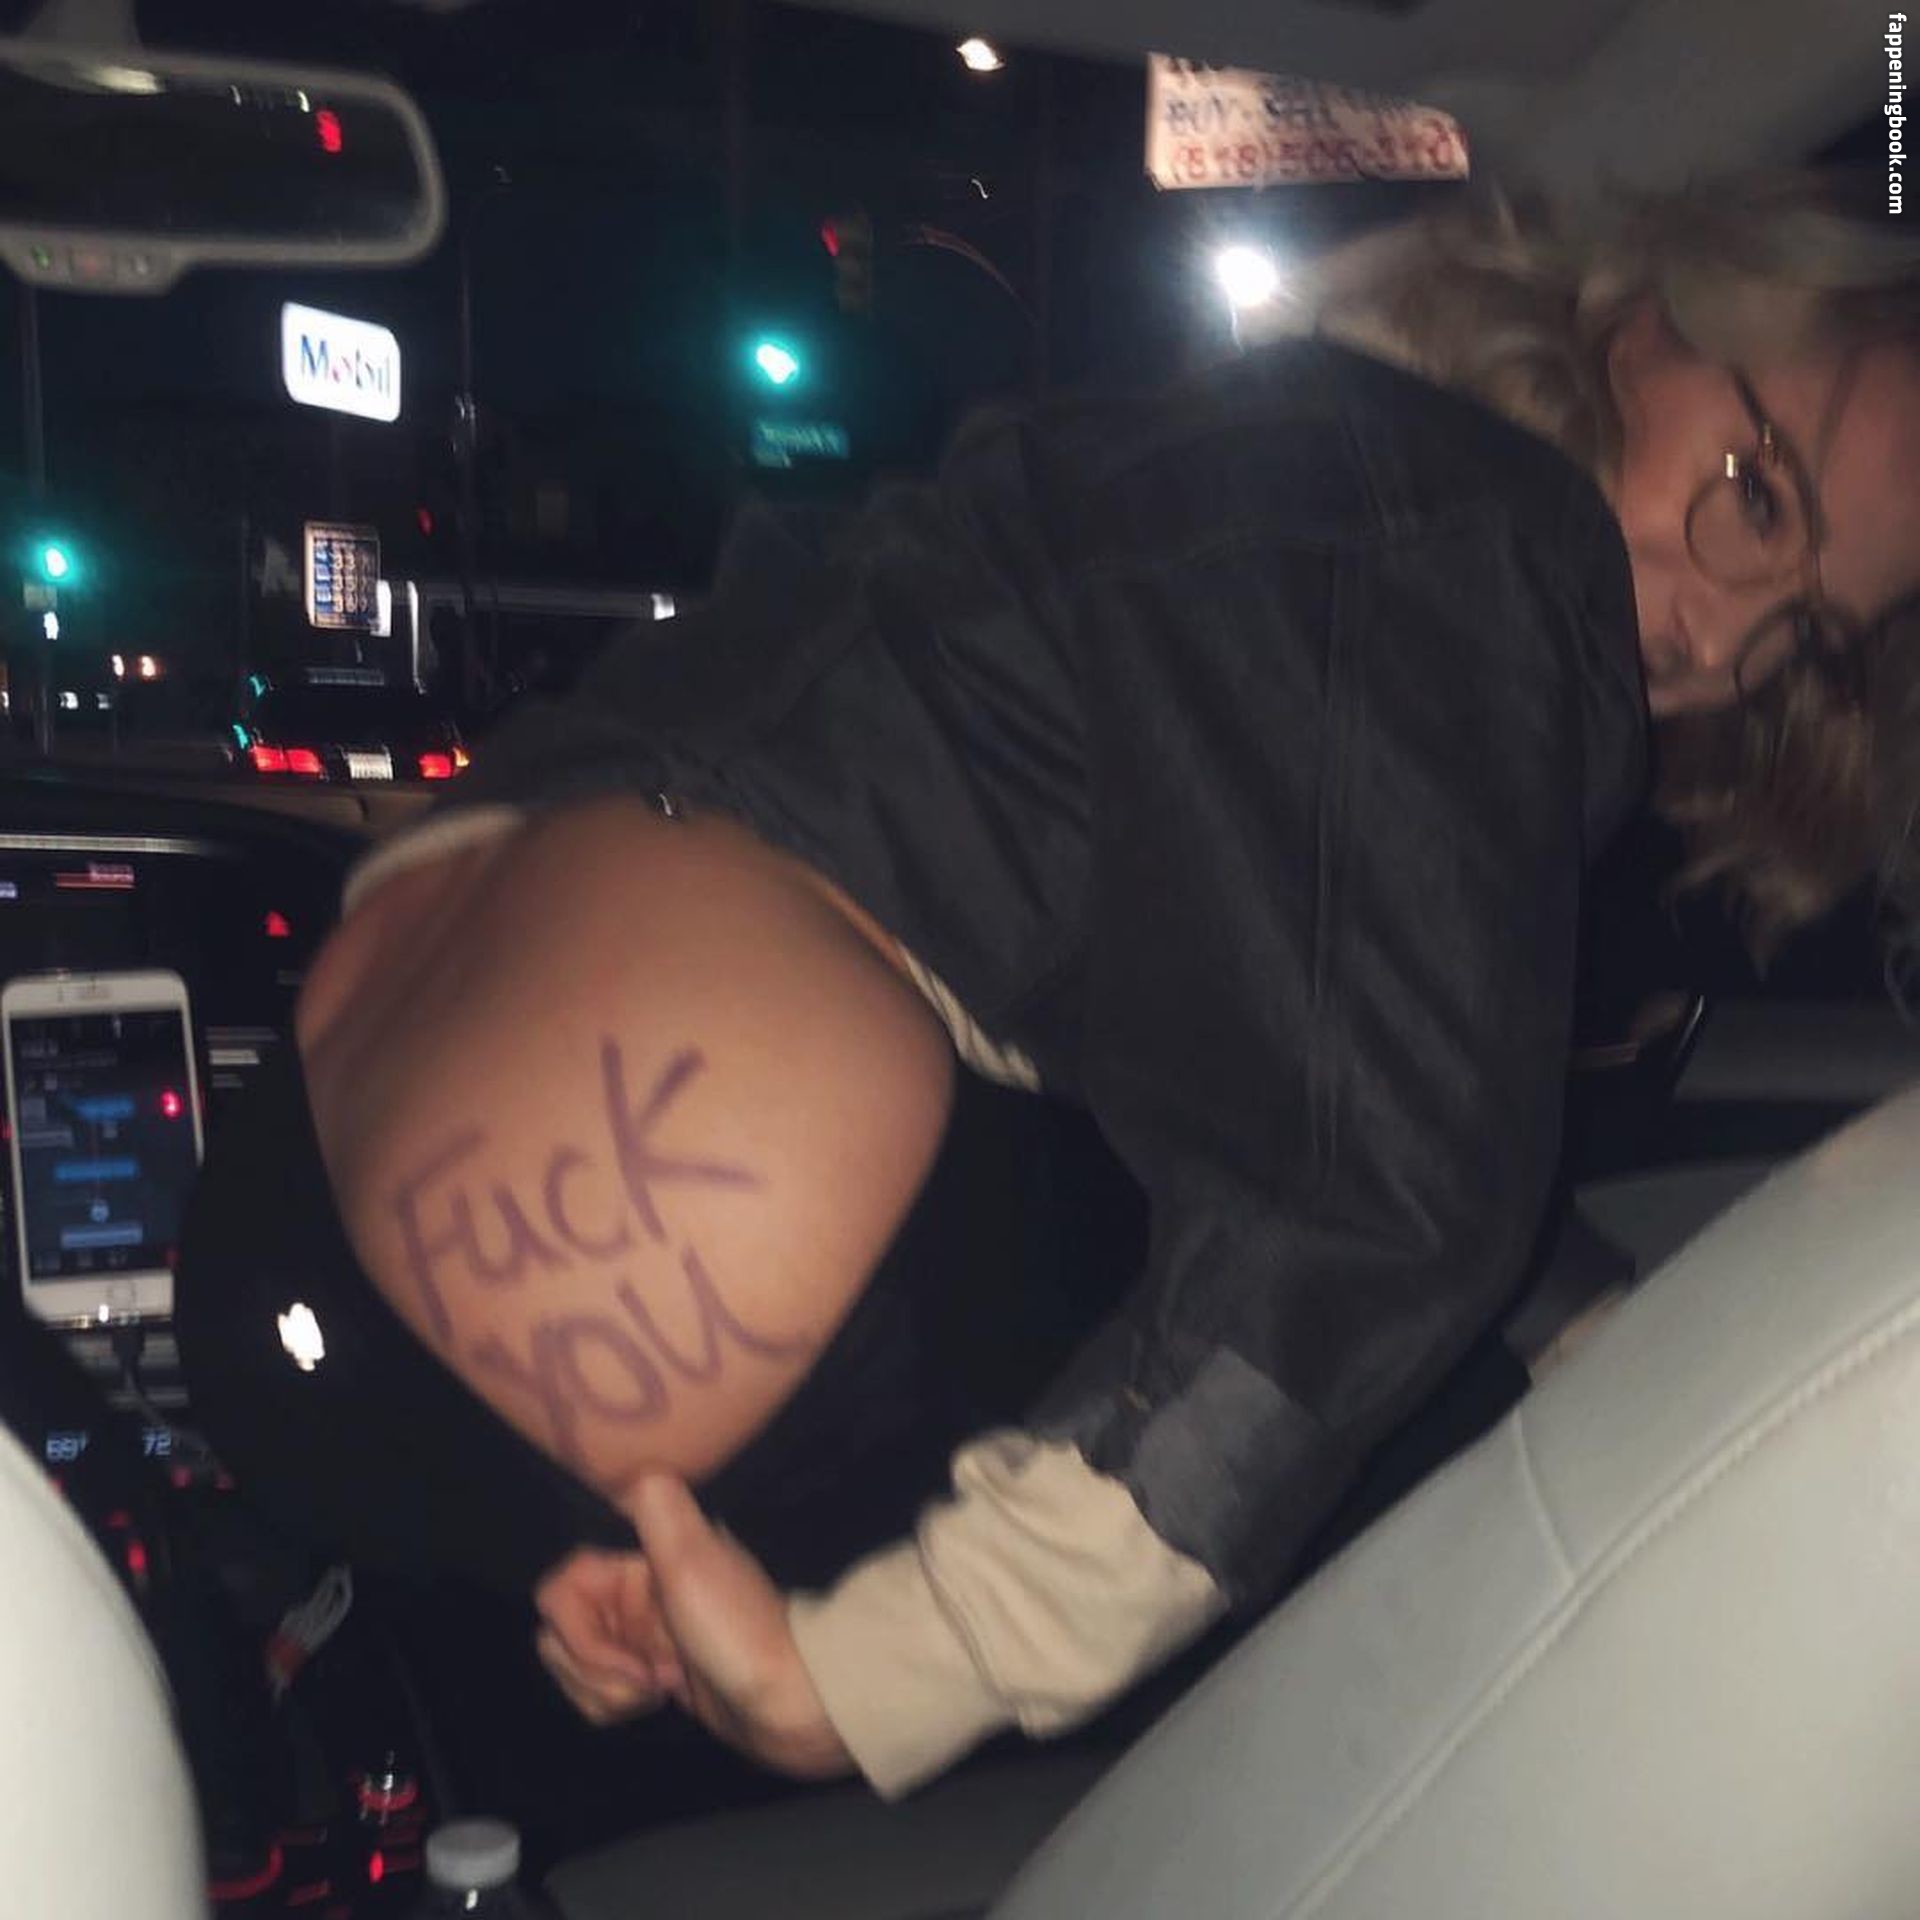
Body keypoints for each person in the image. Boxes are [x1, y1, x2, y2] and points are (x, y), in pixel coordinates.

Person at [176, 169, 1920, 1803]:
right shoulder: (1479, 539)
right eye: (1757, 496)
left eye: (1807, 638)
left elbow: (1307, 1022)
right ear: (1650, 330)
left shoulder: (1267, 458)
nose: (1718, 640)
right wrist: (895, 1664)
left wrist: (1581, 1312)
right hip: (641, 1351)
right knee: (1446, 1517)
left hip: (294, 1211)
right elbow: (1391, 1190)